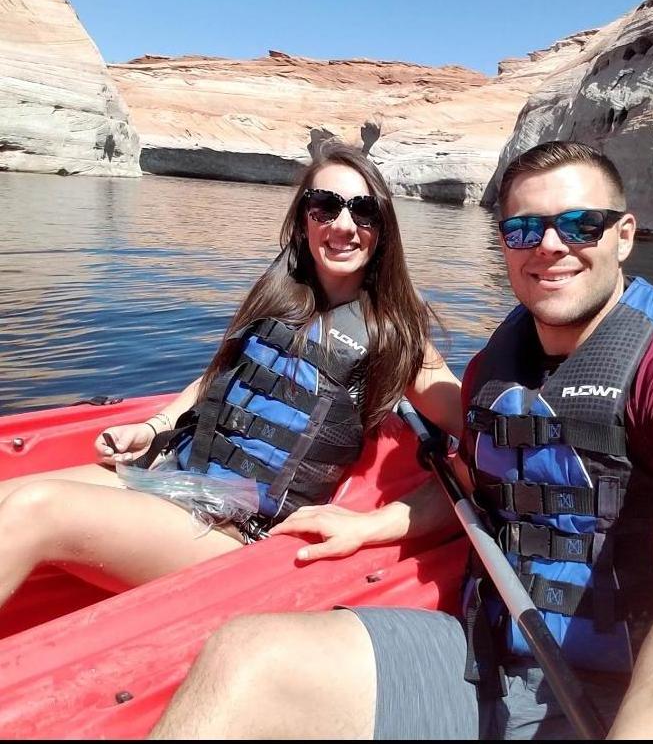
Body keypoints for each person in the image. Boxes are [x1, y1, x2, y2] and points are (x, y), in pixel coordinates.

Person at [148, 141, 653, 740]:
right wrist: (374, 523)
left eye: (581, 224)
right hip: (481, 663)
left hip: (614, 697)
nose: (550, 246)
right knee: (244, 654)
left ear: (624, 235)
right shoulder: (494, 371)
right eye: (524, 230)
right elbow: (477, 479)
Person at [0, 142, 462, 606]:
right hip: (173, 475)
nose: (343, 226)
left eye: (363, 212)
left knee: (35, 509)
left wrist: (371, 526)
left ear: (383, 227)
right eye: (325, 206)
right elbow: (219, 377)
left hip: (236, 532)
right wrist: (154, 427)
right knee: (8, 494)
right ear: (304, 219)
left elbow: (490, 445)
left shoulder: (394, 335)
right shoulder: (283, 294)